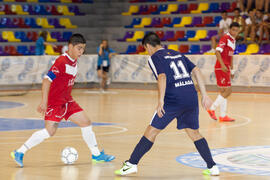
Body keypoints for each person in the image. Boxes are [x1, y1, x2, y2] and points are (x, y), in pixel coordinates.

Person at [115, 32, 220, 176]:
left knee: (151, 131)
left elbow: (162, 76)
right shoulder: (177, 53)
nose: (147, 52)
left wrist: (161, 100)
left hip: (173, 99)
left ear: (148, 46)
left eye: (146, 49)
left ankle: (132, 164)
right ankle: (212, 166)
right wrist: (205, 95)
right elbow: (196, 70)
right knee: (193, 132)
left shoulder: (155, 57)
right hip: (191, 96)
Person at [11, 34, 115, 167]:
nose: (81, 52)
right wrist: (44, 101)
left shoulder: (74, 61)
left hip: (67, 101)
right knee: (49, 132)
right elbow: (46, 80)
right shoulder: (61, 61)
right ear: (70, 47)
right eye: (79, 48)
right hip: (55, 103)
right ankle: (19, 152)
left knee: (86, 122)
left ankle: (96, 154)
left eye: (83, 49)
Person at [207, 22, 240, 122]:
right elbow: (217, 52)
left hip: (225, 67)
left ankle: (223, 116)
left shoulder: (233, 41)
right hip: (221, 67)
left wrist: (232, 70)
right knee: (228, 91)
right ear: (230, 29)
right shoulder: (225, 38)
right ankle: (212, 109)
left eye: (237, 31)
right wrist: (222, 65)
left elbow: (230, 57)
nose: (235, 32)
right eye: (233, 30)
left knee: (223, 91)